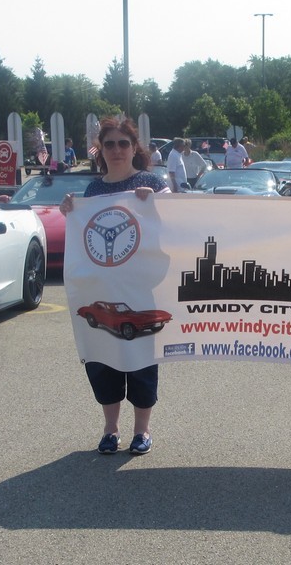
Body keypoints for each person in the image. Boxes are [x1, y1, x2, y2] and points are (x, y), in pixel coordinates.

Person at [59, 116, 167, 456]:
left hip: (139, 292)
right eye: (110, 144)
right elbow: (85, 237)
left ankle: (142, 430)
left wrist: (158, 203)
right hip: (100, 294)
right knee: (103, 361)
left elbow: (176, 226)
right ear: (100, 150)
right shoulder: (93, 192)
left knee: (141, 361)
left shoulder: (151, 182)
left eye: (123, 143)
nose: (117, 150)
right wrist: (70, 210)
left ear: (134, 148)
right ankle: (110, 430)